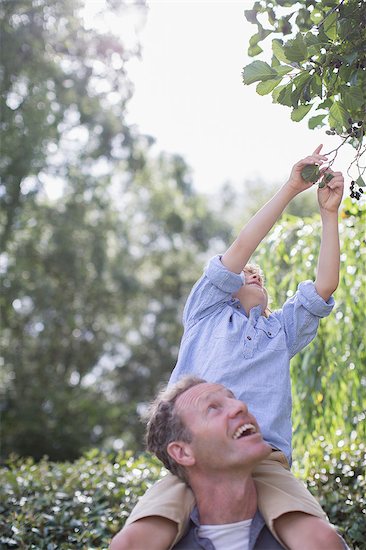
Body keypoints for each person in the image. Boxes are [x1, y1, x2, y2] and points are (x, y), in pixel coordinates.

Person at [111, 146, 345, 549]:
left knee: (318, 537)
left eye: (259, 276)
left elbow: (324, 286)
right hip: (198, 460)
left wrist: (328, 216)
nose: (253, 275)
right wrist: (291, 189)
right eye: (244, 274)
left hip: (263, 459)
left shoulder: (280, 333)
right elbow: (240, 248)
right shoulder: (206, 314)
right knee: (137, 539)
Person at [110, 377, 348, 550]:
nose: (241, 406)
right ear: (182, 452)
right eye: (213, 408)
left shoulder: (304, 536)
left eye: (233, 399)